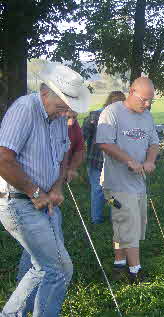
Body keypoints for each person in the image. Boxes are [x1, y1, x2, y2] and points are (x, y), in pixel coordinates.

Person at [0, 62, 90, 316]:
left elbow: (62, 156)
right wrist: (35, 192)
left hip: (45, 201)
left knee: (40, 266)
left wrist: (57, 187)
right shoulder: (24, 109)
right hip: (17, 200)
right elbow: (3, 158)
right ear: (45, 91)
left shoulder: (59, 118)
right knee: (59, 268)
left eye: (70, 104)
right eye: (63, 102)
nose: (67, 110)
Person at [96, 77, 159, 284]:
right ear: (132, 92)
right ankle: (135, 272)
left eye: (151, 101)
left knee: (125, 223)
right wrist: (129, 160)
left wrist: (150, 160)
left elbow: (153, 143)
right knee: (129, 223)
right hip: (115, 185)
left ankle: (119, 263)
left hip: (138, 183)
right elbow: (104, 143)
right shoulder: (112, 112)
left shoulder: (147, 116)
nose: (147, 104)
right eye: (144, 100)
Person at [82, 91, 126, 224]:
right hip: (96, 160)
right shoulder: (95, 116)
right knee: (98, 190)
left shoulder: (124, 118)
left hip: (114, 161)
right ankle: (97, 219)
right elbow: (82, 135)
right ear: (110, 103)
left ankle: (118, 215)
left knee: (112, 190)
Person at [66, 110, 85, 182]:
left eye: (74, 117)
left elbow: (80, 149)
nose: (71, 122)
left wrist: (72, 168)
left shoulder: (75, 125)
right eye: (68, 117)